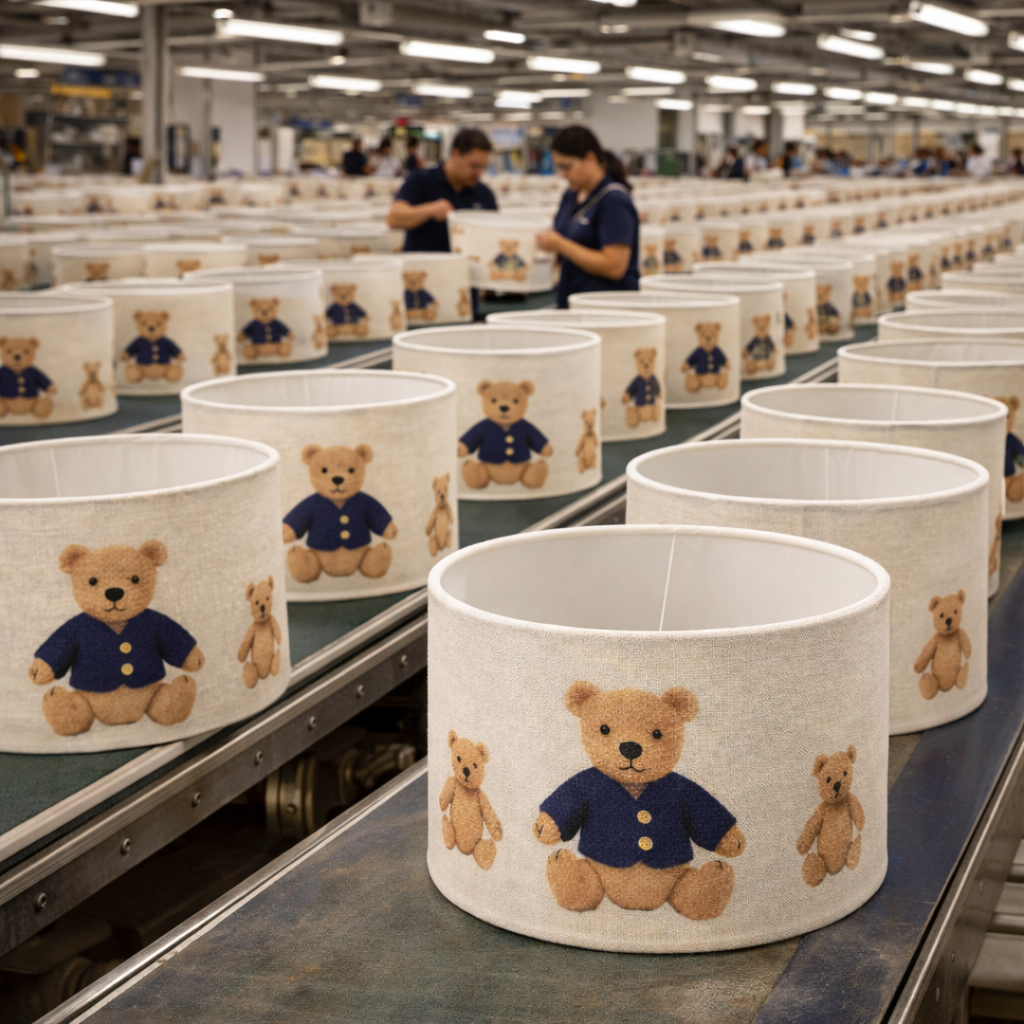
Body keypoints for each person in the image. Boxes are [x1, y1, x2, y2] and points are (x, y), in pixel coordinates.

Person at [536, 125, 639, 309]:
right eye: (559, 168)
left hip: (606, 309)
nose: (563, 174)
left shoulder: (614, 201)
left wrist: (561, 245)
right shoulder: (570, 196)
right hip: (572, 303)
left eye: (567, 167)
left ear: (590, 158)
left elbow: (615, 267)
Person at [387, 128, 497, 252]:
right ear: (456, 154)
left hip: (466, 269)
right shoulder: (420, 180)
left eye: (483, 167)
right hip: (423, 268)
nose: (479, 172)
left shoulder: (485, 194)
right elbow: (394, 218)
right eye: (474, 166)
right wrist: (430, 210)